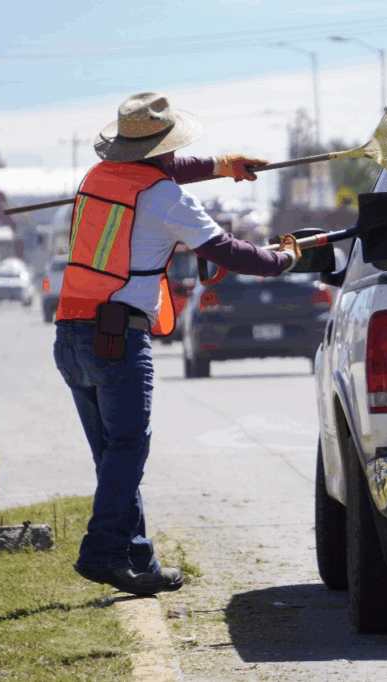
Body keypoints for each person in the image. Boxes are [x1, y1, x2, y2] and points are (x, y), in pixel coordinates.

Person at [53, 92, 300, 596]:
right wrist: (284, 259)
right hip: (116, 338)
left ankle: (137, 561)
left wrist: (222, 165)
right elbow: (229, 252)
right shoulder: (166, 196)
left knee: (115, 456)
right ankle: (102, 551)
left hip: (71, 334)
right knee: (127, 449)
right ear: (163, 148)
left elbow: (163, 171)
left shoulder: (97, 178)